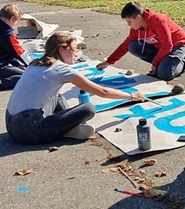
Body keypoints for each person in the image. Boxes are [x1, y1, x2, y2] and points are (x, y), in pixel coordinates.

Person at [5, 32, 146, 145]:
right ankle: (68, 128)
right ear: (61, 50)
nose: (77, 53)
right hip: (29, 131)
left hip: (11, 125)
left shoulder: (36, 63)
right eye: (74, 49)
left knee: (57, 95)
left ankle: (67, 127)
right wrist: (132, 96)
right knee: (88, 108)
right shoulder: (60, 68)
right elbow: (102, 92)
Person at [96, 1, 185, 81]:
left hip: (177, 45)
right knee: (132, 46)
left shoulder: (158, 21)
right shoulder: (136, 30)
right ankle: (164, 63)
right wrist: (109, 62)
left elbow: (167, 45)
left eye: (129, 22)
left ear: (138, 18)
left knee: (164, 74)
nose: (129, 25)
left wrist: (155, 64)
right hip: (161, 48)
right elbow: (124, 46)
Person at [0, 4, 33, 90]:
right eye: (15, 23)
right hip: (1, 68)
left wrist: (17, 64)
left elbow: (8, 52)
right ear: (12, 19)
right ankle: (3, 81)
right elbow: (20, 53)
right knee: (28, 77)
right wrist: (34, 66)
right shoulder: (8, 34)